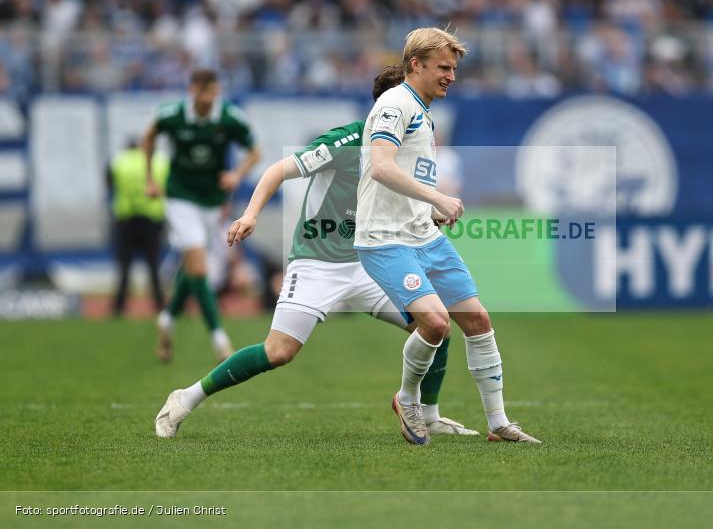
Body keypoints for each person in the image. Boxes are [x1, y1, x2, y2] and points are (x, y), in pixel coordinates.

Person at [154, 66, 478, 439]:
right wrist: (250, 214)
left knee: (436, 325)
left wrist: (431, 215)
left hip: (370, 261)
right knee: (278, 352)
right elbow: (277, 170)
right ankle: (185, 398)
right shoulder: (348, 142)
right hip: (318, 263)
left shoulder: (414, 146)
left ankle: (428, 414)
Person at [355, 27, 540, 444]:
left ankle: (498, 423)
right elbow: (382, 167)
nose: (451, 76)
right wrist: (438, 196)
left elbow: (404, 173)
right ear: (415, 65)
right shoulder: (394, 104)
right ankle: (408, 399)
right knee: (436, 324)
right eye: (443, 67)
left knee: (477, 320)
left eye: (454, 68)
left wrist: (429, 208)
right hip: (386, 239)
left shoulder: (421, 107)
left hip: (422, 235)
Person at [143, 69, 261, 362]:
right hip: (180, 198)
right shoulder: (171, 114)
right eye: (206, 93)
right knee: (199, 268)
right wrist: (150, 178)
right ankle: (220, 340)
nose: (211, 99)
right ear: (193, 90)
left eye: (214, 93)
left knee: (192, 266)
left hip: (212, 202)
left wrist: (237, 175)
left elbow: (255, 152)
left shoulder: (229, 118)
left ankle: (167, 319)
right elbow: (148, 139)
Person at [108, 139, 169, 316]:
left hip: (127, 219)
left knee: (125, 266)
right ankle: (159, 304)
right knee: (153, 265)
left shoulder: (120, 161)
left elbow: (109, 182)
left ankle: (119, 305)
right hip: (152, 219)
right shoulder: (160, 161)